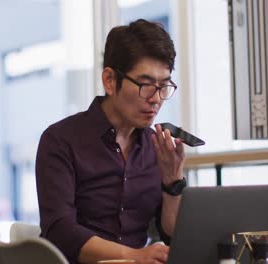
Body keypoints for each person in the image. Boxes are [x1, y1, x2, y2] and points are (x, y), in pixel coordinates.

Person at [35, 19, 186, 264]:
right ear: (110, 80)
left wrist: (172, 182)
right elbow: (60, 232)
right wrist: (135, 257)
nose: (156, 99)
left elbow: (171, 234)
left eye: (164, 86)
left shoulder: (155, 147)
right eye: (146, 85)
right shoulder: (60, 140)